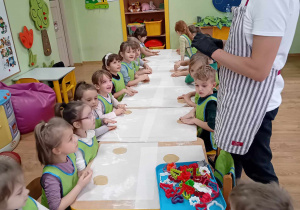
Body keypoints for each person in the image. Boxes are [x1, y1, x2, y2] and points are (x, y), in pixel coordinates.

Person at [192, 0, 299, 183]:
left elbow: (259, 69)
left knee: (258, 169)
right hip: (239, 95)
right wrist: (222, 45)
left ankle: (274, 202)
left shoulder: (270, 2)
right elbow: (251, 45)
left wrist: (214, 51)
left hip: (254, 103)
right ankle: (231, 193)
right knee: (233, 159)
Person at [35, 117, 92, 209]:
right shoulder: (51, 177)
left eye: (73, 135)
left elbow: (71, 177)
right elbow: (57, 207)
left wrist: (81, 173)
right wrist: (79, 186)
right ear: (57, 150)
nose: (76, 139)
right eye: (70, 139)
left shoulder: (70, 155)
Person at [55, 101, 101, 176]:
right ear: (77, 124)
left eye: (92, 113)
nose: (93, 118)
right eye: (89, 116)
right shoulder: (75, 146)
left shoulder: (89, 133)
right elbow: (82, 173)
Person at [180, 65, 217, 152]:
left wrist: (194, 120)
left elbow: (212, 127)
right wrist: (192, 112)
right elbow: (200, 106)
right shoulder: (205, 94)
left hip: (208, 142)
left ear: (213, 85)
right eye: (197, 85)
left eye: (204, 86)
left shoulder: (211, 103)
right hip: (201, 133)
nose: (200, 89)